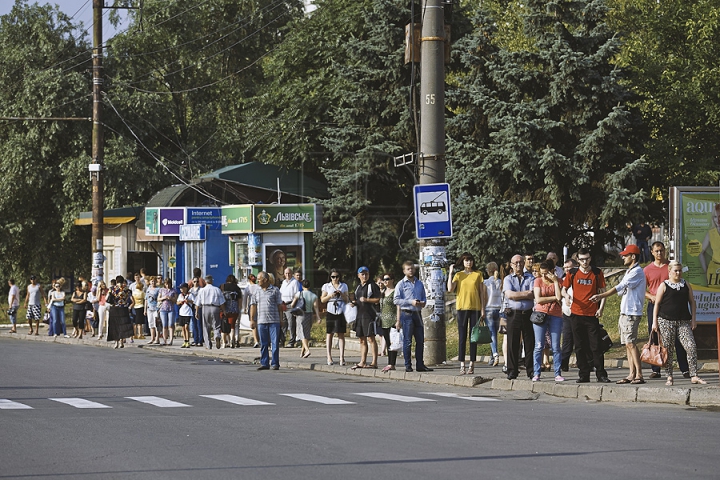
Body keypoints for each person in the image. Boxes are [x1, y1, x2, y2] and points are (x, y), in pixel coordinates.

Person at [591, 244, 647, 384]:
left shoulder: (637, 271)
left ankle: (639, 374)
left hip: (631, 312)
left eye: (626, 255)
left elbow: (619, 287)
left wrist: (601, 295)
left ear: (633, 256)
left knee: (631, 343)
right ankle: (631, 374)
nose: (622, 257)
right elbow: (622, 290)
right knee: (627, 344)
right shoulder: (629, 271)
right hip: (625, 312)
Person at [652, 260, 707, 386]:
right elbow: (657, 304)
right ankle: (669, 375)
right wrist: (654, 322)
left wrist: (693, 319)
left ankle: (694, 374)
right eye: (675, 270)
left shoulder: (686, 284)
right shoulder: (664, 285)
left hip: (683, 321)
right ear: (669, 272)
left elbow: (692, 302)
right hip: (666, 321)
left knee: (691, 346)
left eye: (680, 270)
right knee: (668, 349)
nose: (678, 273)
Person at [562, 248, 610, 383]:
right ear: (578, 260)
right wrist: (566, 297)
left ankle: (601, 373)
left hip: (591, 314)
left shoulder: (596, 272)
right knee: (579, 346)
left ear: (590, 258)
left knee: (595, 346)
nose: (585, 262)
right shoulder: (573, 273)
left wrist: (601, 308)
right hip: (576, 314)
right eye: (582, 259)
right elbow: (563, 288)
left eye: (587, 259)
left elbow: (603, 291)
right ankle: (584, 374)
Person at [644, 242, 688, 378]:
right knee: (655, 335)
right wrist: (650, 296)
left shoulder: (670, 266)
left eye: (661, 251)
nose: (659, 253)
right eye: (656, 251)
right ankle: (655, 369)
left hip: (671, 305)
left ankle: (684, 368)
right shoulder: (647, 270)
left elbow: (680, 281)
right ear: (652, 252)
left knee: (677, 338)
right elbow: (641, 289)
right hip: (654, 305)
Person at [447, 253, 485, 375]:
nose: (468, 263)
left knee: (473, 337)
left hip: (475, 308)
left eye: (470, 260)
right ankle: (462, 364)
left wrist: (483, 309)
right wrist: (450, 273)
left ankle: (472, 364)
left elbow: (481, 293)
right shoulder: (459, 275)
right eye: (466, 261)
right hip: (462, 308)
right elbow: (450, 289)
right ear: (462, 262)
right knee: (462, 336)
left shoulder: (478, 274)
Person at [394, 261, 433, 373]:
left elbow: (424, 297)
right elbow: (396, 300)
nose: (410, 270)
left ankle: (420, 364)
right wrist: (411, 302)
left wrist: (422, 303)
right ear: (404, 271)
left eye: (412, 268)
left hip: (418, 313)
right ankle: (408, 365)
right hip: (407, 314)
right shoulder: (401, 284)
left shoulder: (419, 283)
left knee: (420, 340)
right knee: (408, 341)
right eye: (408, 269)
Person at [503, 255, 535, 380]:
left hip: (528, 313)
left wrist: (519, 295)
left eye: (521, 262)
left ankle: (531, 370)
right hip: (513, 313)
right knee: (513, 343)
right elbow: (510, 295)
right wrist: (525, 294)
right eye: (515, 263)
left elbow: (533, 294)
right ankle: (512, 370)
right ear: (511, 264)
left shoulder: (530, 277)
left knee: (530, 343)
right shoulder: (508, 279)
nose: (518, 265)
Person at [532, 260, 564, 382]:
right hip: (540, 314)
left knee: (555, 346)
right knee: (539, 345)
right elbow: (538, 299)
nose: (544, 276)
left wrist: (555, 282)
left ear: (552, 271)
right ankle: (536, 373)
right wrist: (554, 298)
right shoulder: (538, 281)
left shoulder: (559, 281)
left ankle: (557, 373)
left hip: (556, 314)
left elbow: (560, 297)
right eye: (542, 273)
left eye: (546, 273)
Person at [249, 271, 283, 370]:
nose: (257, 281)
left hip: (274, 321)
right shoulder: (256, 291)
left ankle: (275, 363)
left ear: (265, 280)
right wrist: (252, 319)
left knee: (275, 343)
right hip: (261, 321)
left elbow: (279, 306)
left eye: (259, 279)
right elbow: (253, 306)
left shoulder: (275, 290)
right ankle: (264, 363)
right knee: (263, 343)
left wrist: (281, 319)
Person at [350, 266, 381, 370]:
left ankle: (374, 362)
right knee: (362, 339)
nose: (364, 276)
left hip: (369, 315)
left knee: (371, 338)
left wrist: (367, 300)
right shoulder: (358, 287)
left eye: (366, 274)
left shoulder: (372, 285)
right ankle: (362, 361)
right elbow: (356, 299)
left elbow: (377, 299)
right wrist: (354, 303)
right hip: (359, 316)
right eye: (362, 274)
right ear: (358, 275)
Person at [321, 269, 348, 366]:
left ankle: (341, 357)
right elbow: (322, 299)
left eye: (337, 277)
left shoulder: (343, 286)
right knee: (330, 334)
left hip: (340, 310)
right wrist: (330, 296)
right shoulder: (326, 286)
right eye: (333, 277)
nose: (335, 279)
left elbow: (347, 299)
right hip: (331, 309)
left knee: (341, 334)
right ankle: (329, 356)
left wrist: (341, 294)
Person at [290, 279, 321, 358]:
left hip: (301, 315)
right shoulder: (314, 295)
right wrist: (318, 317)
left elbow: (292, 304)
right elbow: (316, 307)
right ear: (309, 286)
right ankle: (302, 352)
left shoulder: (299, 294)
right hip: (310, 315)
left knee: (301, 333)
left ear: (302, 286)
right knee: (306, 333)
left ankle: (307, 350)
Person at [195, 275, 225, 350]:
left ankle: (208, 344)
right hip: (215, 307)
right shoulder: (217, 289)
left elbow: (197, 302)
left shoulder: (202, 290)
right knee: (217, 324)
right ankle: (217, 336)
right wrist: (224, 310)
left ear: (205, 281)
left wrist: (196, 312)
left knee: (206, 326)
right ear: (211, 281)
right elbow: (221, 302)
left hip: (205, 307)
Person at [379, 273, 399, 373]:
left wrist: (398, 320)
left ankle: (392, 363)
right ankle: (389, 363)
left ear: (392, 280)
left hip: (392, 320)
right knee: (387, 342)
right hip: (384, 321)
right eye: (384, 279)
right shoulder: (382, 292)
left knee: (393, 343)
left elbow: (398, 306)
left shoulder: (395, 292)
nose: (385, 281)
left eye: (387, 279)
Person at [107, 275, 134, 348]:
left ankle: (116, 342)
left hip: (115, 308)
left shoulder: (112, 288)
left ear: (116, 281)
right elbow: (130, 299)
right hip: (124, 309)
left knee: (115, 326)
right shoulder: (127, 289)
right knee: (123, 325)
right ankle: (122, 341)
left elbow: (109, 299)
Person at [484, 262, 502, 366]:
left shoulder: (486, 283)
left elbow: (485, 297)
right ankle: (492, 357)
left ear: (488, 271)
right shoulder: (500, 282)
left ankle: (495, 354)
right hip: (499, 309)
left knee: (492, 334)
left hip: (489, 309)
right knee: (496, 333)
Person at [699, 203, 720, 287]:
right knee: (713, 297)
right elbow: (701, 253)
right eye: (715, 217)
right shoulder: (711, 233)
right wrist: (706, 270)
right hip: (714, 270)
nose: (717, 220)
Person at [279, 267, 301, 347]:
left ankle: (292, 341)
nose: (287, 275)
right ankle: (282, 340)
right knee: (283, 323)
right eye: (286, 273)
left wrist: (293, 305)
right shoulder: (284, 282)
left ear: (291, 274)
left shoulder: (294, 282)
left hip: (290, 304)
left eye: (289, 273)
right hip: (283, 304)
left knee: (291, 323)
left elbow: (297, 294)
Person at [221, 274, 242, 348]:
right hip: (234, 309)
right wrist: (240, 309)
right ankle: (232, 341)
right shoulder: (237, 288)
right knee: (232, 325)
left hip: (224, 308)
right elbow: (239, 300)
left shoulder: (222, 286)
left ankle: (225, 342)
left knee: (224, 326)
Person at [157, 278, 177, 346]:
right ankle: (165, 340)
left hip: (171, 309)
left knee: (171, 324)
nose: (167, 285)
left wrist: (171, 298)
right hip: (163, 309)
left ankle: (171, 340)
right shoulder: (162, 290)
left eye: (168, 284)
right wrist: (164, 297)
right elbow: (158, 299)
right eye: (166, 284)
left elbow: (176, 300)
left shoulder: (173, 290)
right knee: (164, 325)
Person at [243, 274, 260, 348]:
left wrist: (244, 308)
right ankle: (261, 339)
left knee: (253, 323)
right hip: (259, 305)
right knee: (259, 322)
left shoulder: (247, 288)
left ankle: (256, 341)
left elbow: (245, 298)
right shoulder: (258, 287)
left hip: (251, 306)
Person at [176, 283, 194, 348]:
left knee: (186, 327)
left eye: (182, 288)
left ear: (186, 288)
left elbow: (193, 301)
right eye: (180, 288)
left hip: (188, 313)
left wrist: (188, 301)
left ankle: (188, 341)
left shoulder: (190, 295)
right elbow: (177, 302)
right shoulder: (180, 295)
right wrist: (180, 302)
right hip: (182, 312)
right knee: (183, 327)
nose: (181, 289)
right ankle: (184, 341)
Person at [189, 277, 204, 347]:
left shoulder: (201, 289)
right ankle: (195, 339)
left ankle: (200, 340)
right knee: (193, 324)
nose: (196, 283)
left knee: (199, 324)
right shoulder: (190, 290)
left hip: (199, 307)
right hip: (192, 307)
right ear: (192, 282)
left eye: (197, 281)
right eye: (194, 281)